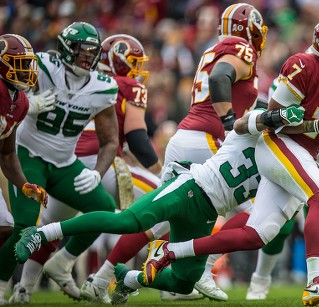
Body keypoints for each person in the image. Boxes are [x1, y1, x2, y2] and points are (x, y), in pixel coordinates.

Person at [134, 16, 319, 307]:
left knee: (256, 235)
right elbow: (275, 122)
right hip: (278, 144)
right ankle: (314, 282)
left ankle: (170, 252)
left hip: (306, 152)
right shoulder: (303, 67)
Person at [13, 105, 304, 304]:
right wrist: (278, 116)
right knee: (126, 221)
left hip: (206, 212)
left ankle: (129, 279)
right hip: (189, 187)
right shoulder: (251, 130)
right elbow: (245, 122)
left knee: (183, 282)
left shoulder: (282, 162)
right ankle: (41, 234)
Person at [94, 3, 269, 302]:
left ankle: (101, 279)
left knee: (157, 219)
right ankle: (205, 268)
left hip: (185, 138)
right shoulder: (241, 50)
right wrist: (228, 122)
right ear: (249, 28)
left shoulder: (216, 49)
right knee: (258, 213)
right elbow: (219, 80)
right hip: (209, 141)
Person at [8, 34, 164, 304]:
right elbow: (137, 138)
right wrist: (162, 170)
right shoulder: (120, 86)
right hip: (94, 163)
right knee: (163, 202)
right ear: (118, 61)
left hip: (70, 162)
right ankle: (106, 280)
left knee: (48, 228)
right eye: (134, 63)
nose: (139, 71)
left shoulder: (92, 82)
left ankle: (24, 289)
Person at [0, 22, 120, 302]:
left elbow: (110, 140)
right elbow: (13, 92)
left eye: (92, 53)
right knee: (24, 226)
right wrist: (31, 104)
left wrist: (98, 173)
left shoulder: (103, 87)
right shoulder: (41, 66)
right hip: (28, 155)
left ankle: (63, 262)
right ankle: (2, 285)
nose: (87, 58)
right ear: (65, 50)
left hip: (65, 162)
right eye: (81, 51)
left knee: (103, 208)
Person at [244, 78, 319, 300]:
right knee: (278, 228)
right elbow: (275, 125)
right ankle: (260, 279)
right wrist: (318, 125)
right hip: (292, 157)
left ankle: (314, 280)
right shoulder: (297, 80)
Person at [0, 33, 49, 304]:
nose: (26, 71)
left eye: (27, 64)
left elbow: (7, 154)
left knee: (6, 228)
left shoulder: (20, 102)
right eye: (19, 63)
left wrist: (23, 185)